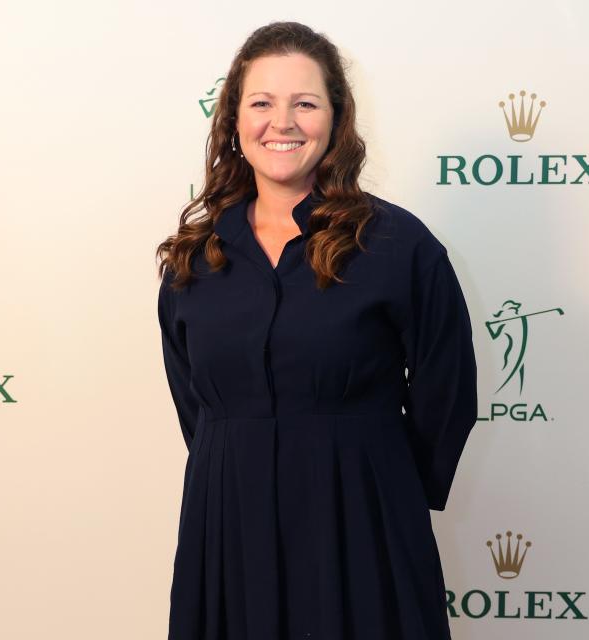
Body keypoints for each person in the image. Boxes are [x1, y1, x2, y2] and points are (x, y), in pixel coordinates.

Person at [155, 21, 478, 640]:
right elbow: (195, 406)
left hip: (364, 519)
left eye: (305, 103)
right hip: (228, 524)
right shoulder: (193, 259)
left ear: (336, 118)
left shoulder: (398, 246)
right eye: (262, 104)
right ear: (233, 121)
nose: (284, 123)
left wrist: (384, 485)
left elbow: (447, 392)